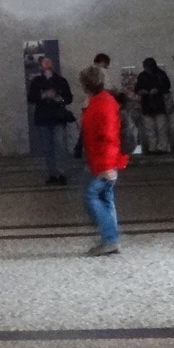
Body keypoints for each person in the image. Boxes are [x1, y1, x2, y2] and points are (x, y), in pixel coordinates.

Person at [78, 66, 129, 256]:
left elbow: (108, 136)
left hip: (104, 161)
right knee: (105, 197)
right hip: (101, 159)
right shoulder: (100, 100)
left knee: (91, 196)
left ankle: (110, 239)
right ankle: (111, 239)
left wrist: (108, 166)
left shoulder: (102, 103)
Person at [27, 55, 74, 185]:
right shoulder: (36, 81)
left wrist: (59, 99)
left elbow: (69, 98)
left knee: (60, 145)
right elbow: (31, 98)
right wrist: (43, 96)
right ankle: (52, 173)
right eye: (44, 62)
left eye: (49, 61)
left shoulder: (61, 81)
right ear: (40, 65)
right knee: (47, 147)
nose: (47, 63)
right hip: (43, 117)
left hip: (58, 117)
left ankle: (61, 172)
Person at [134, 58, 174, 154]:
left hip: (152, 104)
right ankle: (156, 147)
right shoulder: (160, 74)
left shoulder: (145, 75)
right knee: (155, 128)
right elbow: (137, 89)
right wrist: (143, 91)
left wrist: (156, 90)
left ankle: (158, 147)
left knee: (158, 128)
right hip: (155, 104)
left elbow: (166, 86)